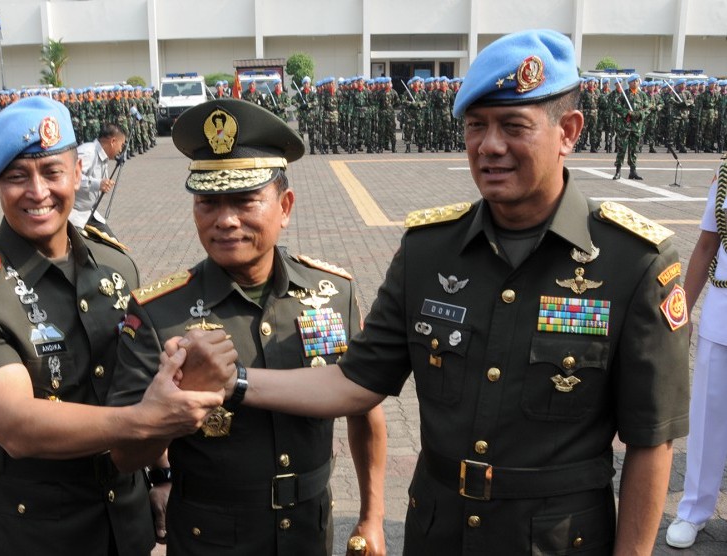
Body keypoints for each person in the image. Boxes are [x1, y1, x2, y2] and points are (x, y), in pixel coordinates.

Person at [172, 29, 691, 554]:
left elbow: (652, 440)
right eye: (475, 126)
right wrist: (233, 381)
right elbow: (356, 383)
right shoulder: (428, 252)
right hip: (438, 533)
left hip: (558, 541)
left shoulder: (635, 261)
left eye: (514, 126)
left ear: (568, 131)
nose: (490, 146)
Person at [0, 96, 234, 556]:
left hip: (127, 524)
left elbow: (142, 380)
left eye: (51, 172)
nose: (37, 191)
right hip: (43, 535)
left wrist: (161, 473)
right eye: (16, 177)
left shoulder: (116, 264)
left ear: (75, 172)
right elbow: (18, 426)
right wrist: (145, 421)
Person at [107, 98, 388, 556]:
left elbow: (365, 405)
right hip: (211, 536)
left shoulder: (333, 291)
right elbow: (125, 456)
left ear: (285, 206)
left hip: (309, 531)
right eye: (208, 202)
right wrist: (169, 406)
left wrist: (372, 516)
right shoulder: (159, 311)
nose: (225, 220)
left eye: (244, 200)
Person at [665, 158, 727, 548]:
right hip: (724, 311)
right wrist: (683, 312)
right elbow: (706, 244)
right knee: (707, 418)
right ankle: (693, 510)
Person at [69, 122, 127, 240]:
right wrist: (98, 184)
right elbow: (70, 177)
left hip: (89, 214)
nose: (121, 149)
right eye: (121, 145)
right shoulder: (88, 152)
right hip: (74, 215)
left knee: (112, 244)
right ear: (113, 141)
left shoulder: (102, 157)